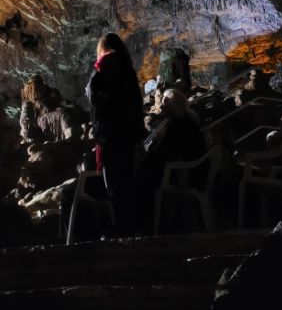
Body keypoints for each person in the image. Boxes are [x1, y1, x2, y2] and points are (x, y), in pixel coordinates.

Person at [85, 32, 145, 236]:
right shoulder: (127, 69)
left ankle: (120, 228)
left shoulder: (106, 65)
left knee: (114, 184)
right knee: (126, 181)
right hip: (128, 134)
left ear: (103, 49)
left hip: (111, 135)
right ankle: (130, 226)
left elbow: (97, 99)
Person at [138, 89, 207, 231]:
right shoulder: (185, 122)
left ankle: (153, 227)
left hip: (185, 174)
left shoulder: (179, 125)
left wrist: (144, 157)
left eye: (165, 101)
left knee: (143, 182)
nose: (161, 105)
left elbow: (165, 153)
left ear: (175, 105)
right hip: (190, 170)